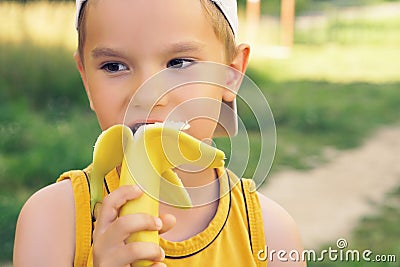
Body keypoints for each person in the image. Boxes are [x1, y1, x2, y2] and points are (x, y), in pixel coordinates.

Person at [14, 0, 306, 266]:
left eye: (178, 63)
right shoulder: (52, 221)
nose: (148, 95)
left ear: (231, 73)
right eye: (114, 66)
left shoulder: (271, 233)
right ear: (87, 80)